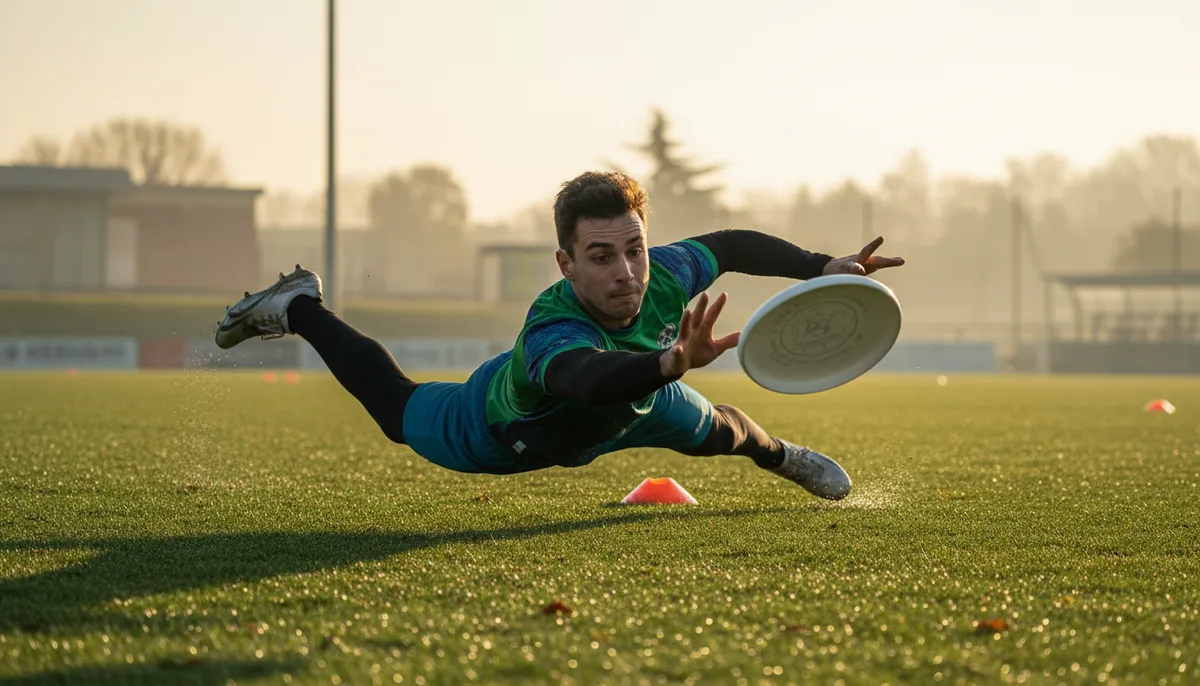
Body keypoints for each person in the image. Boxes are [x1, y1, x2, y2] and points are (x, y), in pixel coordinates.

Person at [215, 172, 903, 500]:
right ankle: (300, 307)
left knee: (724, 431)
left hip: (644, 391)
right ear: (566, 264)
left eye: (634, 248)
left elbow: (729, 244)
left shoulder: (664, 270)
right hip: (506, 429)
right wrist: (669, 362)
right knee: (397, 411)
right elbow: (588, 381)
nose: (626, 271)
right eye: (601, 257)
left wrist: (822, 266)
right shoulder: (552, 327)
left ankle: (786, 458)